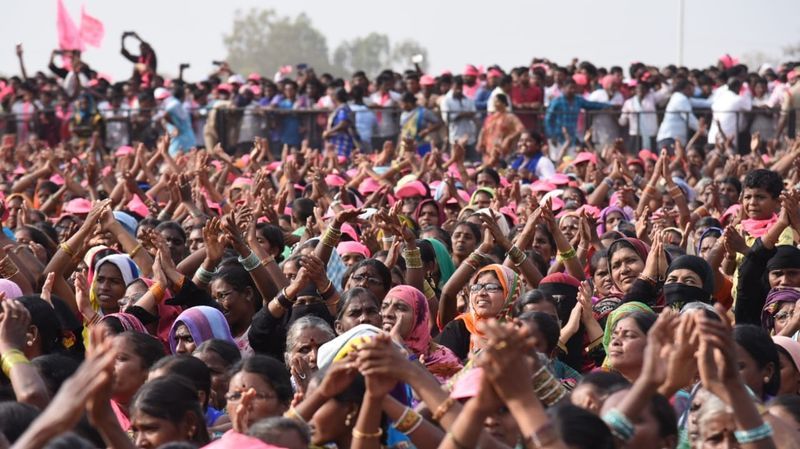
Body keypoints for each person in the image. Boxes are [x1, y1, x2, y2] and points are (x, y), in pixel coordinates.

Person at [477, 93, 525, 159]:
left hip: (503, 151)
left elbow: (521, 129)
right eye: (494, 101)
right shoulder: (490, 117)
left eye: (497, 101)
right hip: (488, 151)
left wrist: (509, 138)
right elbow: (483, 130)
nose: (495, 103)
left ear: (504, 103)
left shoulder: (510, 117)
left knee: (501, 168)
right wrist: (480, 142)